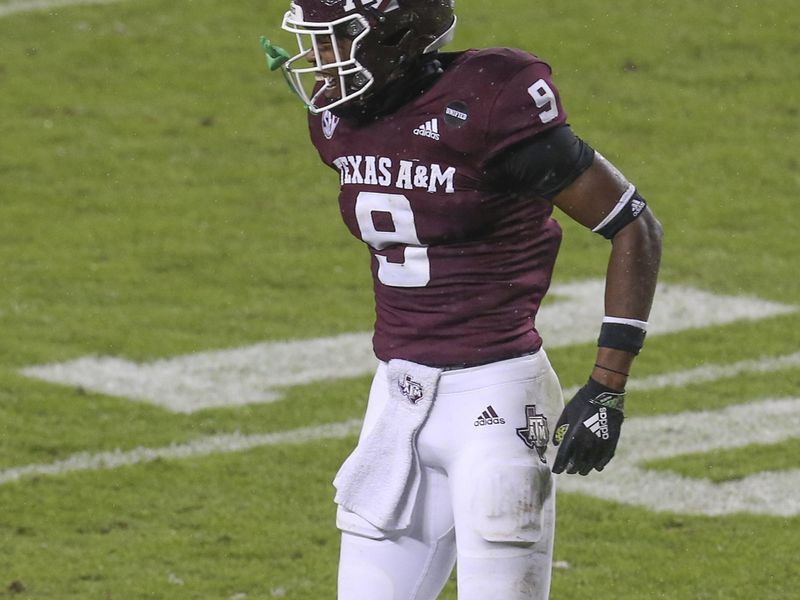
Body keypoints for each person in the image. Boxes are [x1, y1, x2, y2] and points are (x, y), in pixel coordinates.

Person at [262, 0, 662, 598]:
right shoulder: (337, 119)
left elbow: (634, 226)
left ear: (397, 34)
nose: (319, 61)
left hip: (497, 400)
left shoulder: (488, 104)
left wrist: (607, 386)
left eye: (335, 38)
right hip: (396, 402)